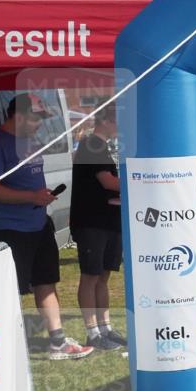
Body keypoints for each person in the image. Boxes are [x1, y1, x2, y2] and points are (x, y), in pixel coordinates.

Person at [0, 94, 94, 360]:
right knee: (8, 290)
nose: (41, 125)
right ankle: (1, 349)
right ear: (19, 116)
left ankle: (57, 342)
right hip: (10, 229)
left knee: (46, 282)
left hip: (38, 223)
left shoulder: (30, 141)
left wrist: (40, 195)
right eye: (37, 119)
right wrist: (31, 197)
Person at [69, 107, 127, 351]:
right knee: (91, 276)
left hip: (107, 220)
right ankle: (92, 332)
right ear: (107, 120)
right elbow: (108, 181)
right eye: (118, 121)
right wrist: (139, 179)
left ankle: (105, 328)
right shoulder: (91, 144)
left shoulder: (100, 146)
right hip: (91, 222)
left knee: (103, 276)